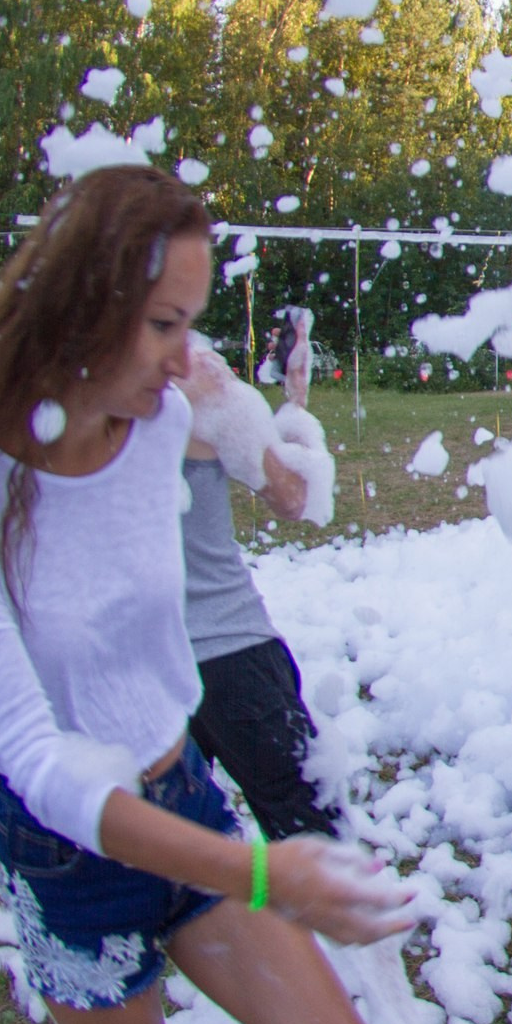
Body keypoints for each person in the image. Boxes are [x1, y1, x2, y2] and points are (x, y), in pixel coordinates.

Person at [0, 167, 489, 1024]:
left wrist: (266, 428)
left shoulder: (164, 418)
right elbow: (32, 757)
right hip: (68, 857)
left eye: (192, 323)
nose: (181, 354)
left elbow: (293, 492)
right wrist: (269, 873)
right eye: (164, 322)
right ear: (76, 307)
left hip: (187, 799)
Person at [174, 318, 336, 841]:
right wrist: (296, 416)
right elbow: (293, 498)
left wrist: (287, 404)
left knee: (173, 857)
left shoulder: (63, 383)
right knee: (315, 833)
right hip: (227, 649)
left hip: (134, 661)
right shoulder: (191, 374)